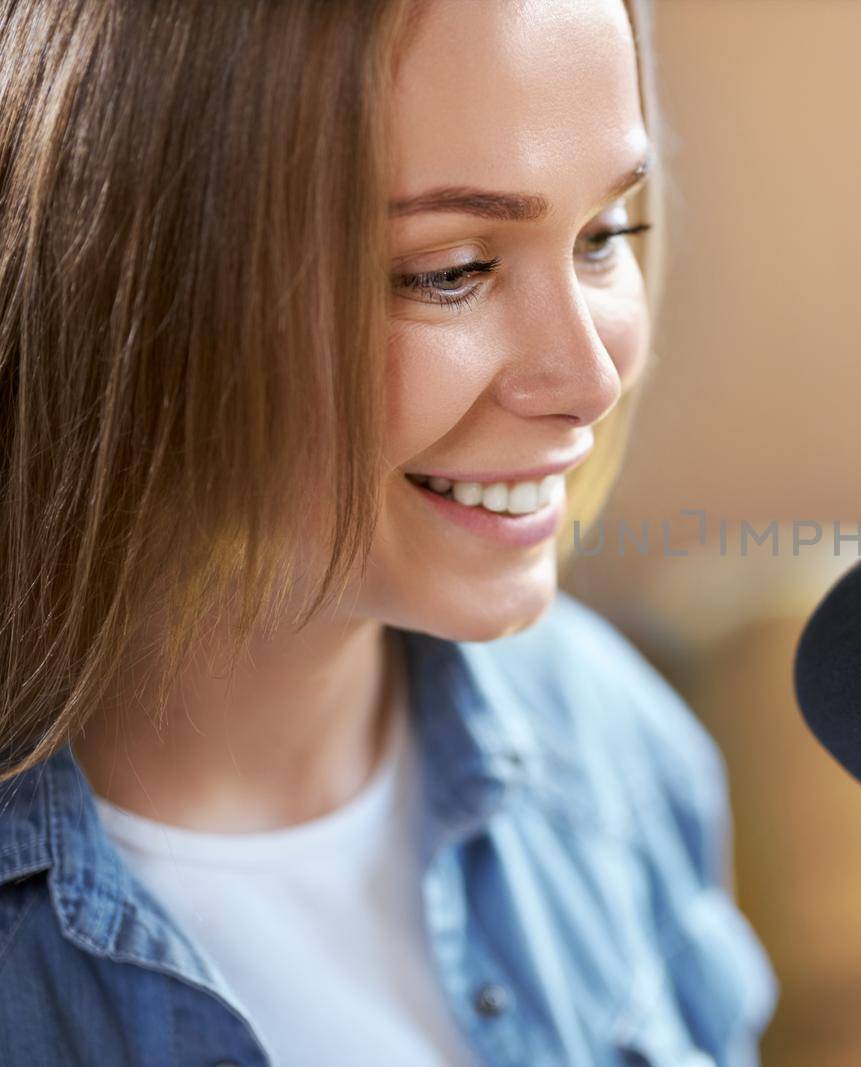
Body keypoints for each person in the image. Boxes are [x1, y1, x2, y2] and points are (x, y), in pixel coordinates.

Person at [0, 0, 776, 1063]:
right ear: (121, 276)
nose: (589, 381)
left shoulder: (611, 745)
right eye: (448, 270)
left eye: (602, 237)